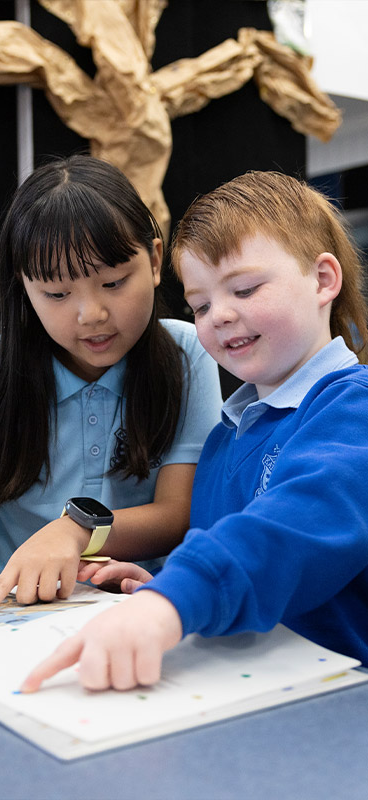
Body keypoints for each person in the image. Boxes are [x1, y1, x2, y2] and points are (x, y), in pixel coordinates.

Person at [21, 169, 368, 695]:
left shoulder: (353, 407)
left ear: (323, 280)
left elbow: (288, 530)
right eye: (200, 305)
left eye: (246, 289)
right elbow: (225, 559)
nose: (221, 316)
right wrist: (163, 585)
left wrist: (173, 603)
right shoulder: (227, 436)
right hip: (249, 691)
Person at [0, 154, 222, 611]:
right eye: (57, 294)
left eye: (115, 283)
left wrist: (76, 528)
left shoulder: (187, 353)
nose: (91, 314)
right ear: (24, 288)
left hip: (143, 605)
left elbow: (177, 515)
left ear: (155, 260)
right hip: (13, 612)